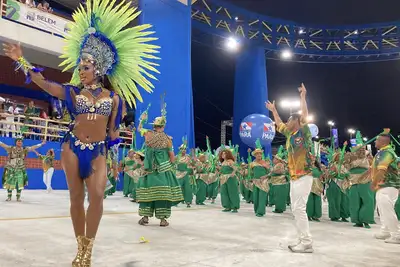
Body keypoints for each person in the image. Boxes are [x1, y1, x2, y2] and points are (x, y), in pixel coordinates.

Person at [3, 0, 159, 265]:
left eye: (84, 68)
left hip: (98, 151)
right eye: (79, 68)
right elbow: (43, 83)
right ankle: (81, 250)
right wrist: (22, 60)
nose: (80, 71)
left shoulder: (116, 99)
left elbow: (112, 133)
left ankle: (90, 244)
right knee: (76, 197)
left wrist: (119, 151)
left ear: (98, 69)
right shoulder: (72, 91)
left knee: (97, 195)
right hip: (72, 147)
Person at [266, 83, 314, 253]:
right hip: (294, 176)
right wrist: (274, 110)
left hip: (304, 175)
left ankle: (307, 243)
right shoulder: (289, 134)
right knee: (295, 209)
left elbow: (305, 115)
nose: (286, 122)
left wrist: (302, 97)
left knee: (299, 209)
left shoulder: (304, 133)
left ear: (296, 122)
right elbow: (278, 123)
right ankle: (303, 240)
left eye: (289, 120)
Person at [137, 105, 184, 227]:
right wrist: (172, 165)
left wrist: (142, 119)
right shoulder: (168, 139)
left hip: (149, 169)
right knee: (163, 194)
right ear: (163, 127)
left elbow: (139, 128)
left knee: (148, 192)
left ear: (154, 126)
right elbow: (171, 155)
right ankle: (163, 220)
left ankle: (145, 217)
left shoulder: (148, 134)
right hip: (163, 169)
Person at [371, 130, 400, 244]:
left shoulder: (385, 152)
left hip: (386, 184)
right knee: (383, 210)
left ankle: (396, 234)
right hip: (388, 186)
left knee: (387, 210)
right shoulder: (385, 152)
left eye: (377, 140)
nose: (375, 142)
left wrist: (374, 183)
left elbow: (382, 170)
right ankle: (385, 231)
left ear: (382, 142)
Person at [0, 136, 45, 201]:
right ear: (16, 142)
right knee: (9, 182)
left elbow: (32, 147)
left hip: (20, 168)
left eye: (21, 141)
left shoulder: (24, 149)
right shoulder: (10, 148)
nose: (20, 142)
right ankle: (9, 196)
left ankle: (18, 197)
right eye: (18, 141)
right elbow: (2, 145)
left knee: (20, 183)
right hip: (11, 168)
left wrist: (41, 144)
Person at [249, 146, 270, 217]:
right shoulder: (252, 164)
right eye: (257, 154)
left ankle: (260, 212)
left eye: (260, 154)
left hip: (263, 182)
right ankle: (256, 210)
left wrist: (265, 177)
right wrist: (251, 179)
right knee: (256, 197)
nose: (259, 155)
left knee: (262, 197)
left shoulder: (265, 163)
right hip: (255, 182)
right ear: (255, 155)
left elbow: (269, 172)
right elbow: (251, 173)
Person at [218, 148, 240, 213]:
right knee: (224, 193)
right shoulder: (223, 162)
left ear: (227, 154)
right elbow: (222, 171)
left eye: (224, 154)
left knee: (232, 192)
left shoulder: (230, 161)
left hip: (230, 178)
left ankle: (234, 207)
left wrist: (233, 173)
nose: (222, 155)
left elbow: (236, 168)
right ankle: (227, 206)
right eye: (222, 154)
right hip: (223, 178)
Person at [176, 141, 195, 208]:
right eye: (182, 149)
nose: (183, 150)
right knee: (178, 188)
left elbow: (192, 165)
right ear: (180, 150)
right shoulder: (177, 157)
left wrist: (193, 161)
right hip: (178, 174)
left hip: (186, 174)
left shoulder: (188, 157)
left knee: (187, 188)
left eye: (184, 149)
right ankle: (176, 201)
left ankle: (188, 201)